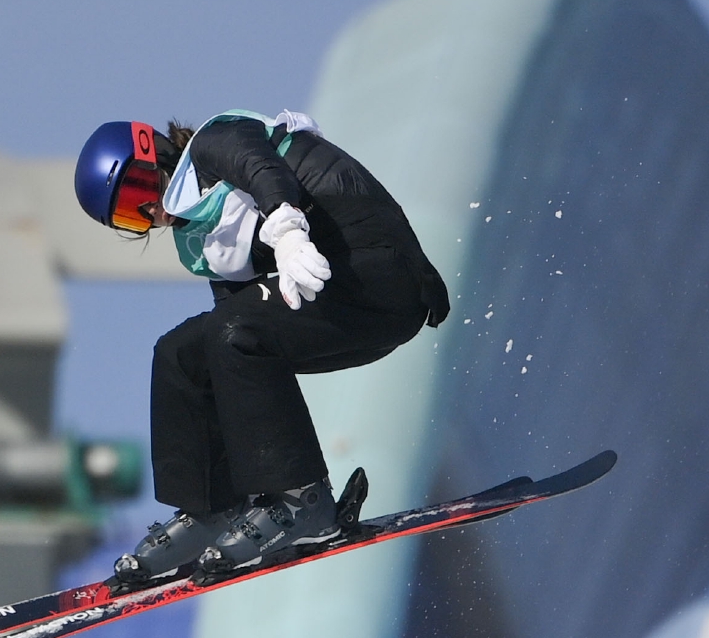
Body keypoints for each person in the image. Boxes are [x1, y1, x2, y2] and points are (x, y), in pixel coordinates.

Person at [73, 112, 450, 585]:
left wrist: (288, 232)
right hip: (340, 308)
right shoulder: (201, 240)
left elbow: (262, 169)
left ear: (155, 153)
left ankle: (303, 500)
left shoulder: (216, 142)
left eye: (136, 196)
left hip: (381, 276)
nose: (151, 214)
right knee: (182, 354)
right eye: (130, 218)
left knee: (232, 329)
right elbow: (230, 348)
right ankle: (212, 507)